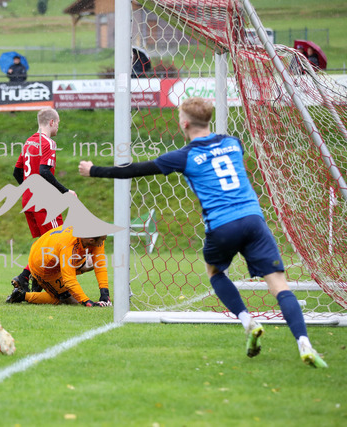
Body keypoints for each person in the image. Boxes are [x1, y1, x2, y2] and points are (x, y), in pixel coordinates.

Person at [78, 97, 327, 368]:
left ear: (184, 123)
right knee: (279, 286)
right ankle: (304, 343)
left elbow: (136, 170)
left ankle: (248, 321)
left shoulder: (183, 156)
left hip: (222, 225)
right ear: (208, 119)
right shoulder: (233, 143)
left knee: (215, 272)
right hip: (253, 220)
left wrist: (94, 170)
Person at [11, 108, 77, 294]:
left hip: (28, 201)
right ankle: (26, 277)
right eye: (58, 123)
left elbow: (17, 172)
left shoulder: (29, 142)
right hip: (45, 203)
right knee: (60, 242)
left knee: (44, 244)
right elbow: (44, 171)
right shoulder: (48, 143)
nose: (58, 127)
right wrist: (65, 192)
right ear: (52, 122)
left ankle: (37, 285)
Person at [6, 226, 111, 307]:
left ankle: (40, 283)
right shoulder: (69, 245)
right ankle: (22, 295)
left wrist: (105, 294)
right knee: (69, 300)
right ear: (91, 240)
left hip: (56, 255)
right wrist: (86, 302)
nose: (103, 242)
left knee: (91, 263)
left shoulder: (92, 235)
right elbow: (69, 280)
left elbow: (100, 263)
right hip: (42, 266)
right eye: (102, 240)